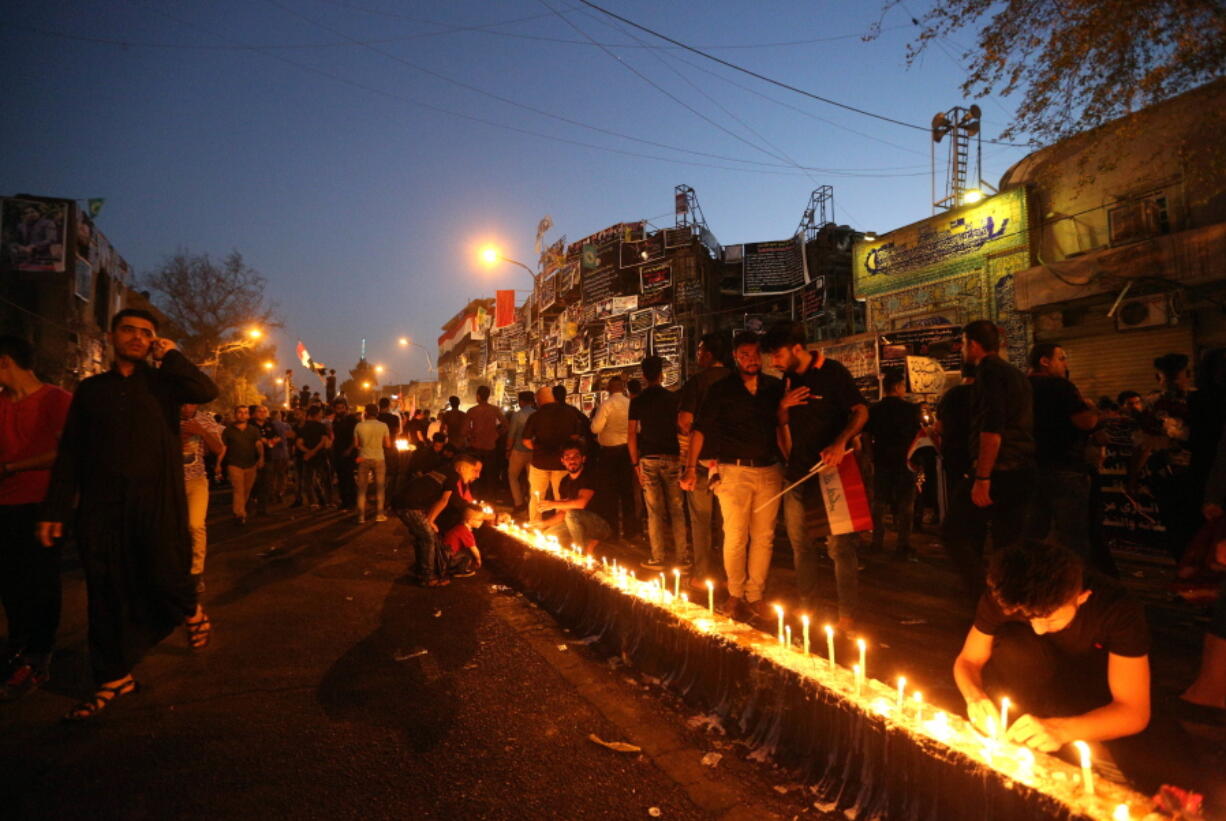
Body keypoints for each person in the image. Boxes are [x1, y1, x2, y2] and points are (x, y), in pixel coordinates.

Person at [38, 308, 219, 720]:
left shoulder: (164, 385)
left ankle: (189, 609)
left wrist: (171, 355)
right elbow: (72, 452)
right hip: (101, 510)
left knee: (165, 573)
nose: (138, 337)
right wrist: (55, 508)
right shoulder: (91, 390)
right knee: (104, 593)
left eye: (147, 333)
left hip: (156, 503)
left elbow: (205, 389)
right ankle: (113, 676)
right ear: (112, 335)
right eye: (130, 330)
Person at [953, 541, 1150, 753]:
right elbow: (969, 660)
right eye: (1029, 618)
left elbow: (1133, 712)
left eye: (1051, 620)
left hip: (1092, 691)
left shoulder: (1116, 609)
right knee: (1013, 644)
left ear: (1081, 598)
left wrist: (1061, 730)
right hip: (1032, 680)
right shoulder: (1011, 593)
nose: (1038, 629)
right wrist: (975, 697)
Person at [762, 322, 869, 627]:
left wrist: (840, 443)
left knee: (839, 548)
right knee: (800, 545)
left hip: (832, 472)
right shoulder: (787, 380)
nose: (774, 361)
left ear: (797, 348)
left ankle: (847, 616)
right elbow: (781, 421)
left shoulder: (833, 372)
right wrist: (783, 406)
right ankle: (809, 609)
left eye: (778, 354)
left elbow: (861, 411)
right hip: (797, 475)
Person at [682, 331, 783, 624]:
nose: (752, 360)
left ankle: (756, 595)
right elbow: (699, 430)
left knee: (764, 537)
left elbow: (784, 424)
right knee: (736, 535)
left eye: (755, 354)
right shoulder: (722, 389)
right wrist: (690, 469)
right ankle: (736, 593)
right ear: (736, 357)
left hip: (769, 469)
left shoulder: (774, 388)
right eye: (745, 355)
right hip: (733, 470)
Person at [0, 335, 72, 701]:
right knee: (10, 581)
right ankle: (17, 645)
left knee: (40, 581)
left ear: (5, 362)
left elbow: (67, 453)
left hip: (43, 504)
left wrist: (12, 467)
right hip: (5, 505)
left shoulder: (56, 400)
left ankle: (39, 654)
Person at [942, 320, 1036, 599]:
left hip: (999, 471)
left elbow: (992, 430)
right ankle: (1009, 599)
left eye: (963, 344)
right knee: (1007, 543)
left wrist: (982, 478)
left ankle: (984, 597)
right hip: (1023, 469)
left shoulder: (989, 373)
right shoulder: (1016, 374)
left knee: (953, 532)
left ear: (972, 344)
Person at [1026, 343, 1099, 564]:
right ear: (1044, 361)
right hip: (1064, 468)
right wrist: (1093, 411)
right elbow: (1085, 422)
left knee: (1033, 533)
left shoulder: (1020, 387)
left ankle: (1032, 581)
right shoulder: (1061, 386)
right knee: (1072, 536)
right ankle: (1073, 587)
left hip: (1030, 468)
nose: (1065, 363)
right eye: (1062, 358)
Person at [677, 332, 731, 589]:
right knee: (730, 524)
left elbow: (685, 421)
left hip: (700, 463)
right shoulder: (736, 380)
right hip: (732, 463)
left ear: (709, 354)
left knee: (701, 521)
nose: (697, 354)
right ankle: (730, 575)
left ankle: (702, 575)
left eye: (699, 350)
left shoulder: (697, 383)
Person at [629, 357, 687, 568]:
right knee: (677, 509)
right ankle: (682, 558)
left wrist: (635, 464)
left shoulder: (638, 401)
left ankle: (658, 557)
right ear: (661, 374)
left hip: (648, 457)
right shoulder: (672, 399)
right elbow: (681, 428)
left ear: (644, 376)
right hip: (672, 456)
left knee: (654, 511)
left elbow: (631, 435)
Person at [865, 372, 921, 559]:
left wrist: (870, 456)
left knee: (879, 502)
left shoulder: (874, 410)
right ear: (897, 387)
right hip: (905, 461)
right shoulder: (911, 409)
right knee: (906, 504)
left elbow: (866, 436)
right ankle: (902, 544)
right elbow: (918, 436)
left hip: (882, 460)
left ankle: (877, 541)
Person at [179, 403, 224, 594]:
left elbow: (219, 448)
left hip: (196, 481)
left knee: (196, 525)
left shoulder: (205, 419)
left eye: (191, 401)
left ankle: (196, 572)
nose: (187, 406)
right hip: (169, 481)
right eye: (183, 401)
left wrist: (201, 431)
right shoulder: (164, 416)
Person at [534, 443, 612, 552]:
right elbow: (563, 512)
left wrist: (553, 504)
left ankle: (581, 554)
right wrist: (543, 523)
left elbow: (581, 503)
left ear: (583, 459)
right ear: (562, 461)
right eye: (567, 458)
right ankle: (585, 543)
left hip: (600, 525)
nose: (572, 460)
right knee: (548, 534)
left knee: (572, 514)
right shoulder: (565, 481)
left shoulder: (590, 475)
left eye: (576, 456)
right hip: (577, 523)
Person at [522, 386, 585, 521]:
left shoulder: (535, 416)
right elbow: (575, 437)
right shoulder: (569, 413)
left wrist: (538, 448)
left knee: (537, 496)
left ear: (538, 400)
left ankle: (535, 525)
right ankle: (558, 527)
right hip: (561, 463)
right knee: (561, 498)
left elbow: (526, 440)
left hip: (539, 462)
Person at [591, 376, 638, 541]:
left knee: (609, 493)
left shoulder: (607, 404)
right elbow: (637, 428)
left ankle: (612, 532)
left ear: (610, 388)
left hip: (609, 453)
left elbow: (595, 427)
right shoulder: (630, 403)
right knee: (627, 492)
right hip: (627, 451)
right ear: (623, 387)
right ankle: (631, 531)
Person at [222, 405, 263, 524]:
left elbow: (259, 445)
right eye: (240, 412)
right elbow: (224, 447)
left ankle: (240, 510)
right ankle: (240, 514)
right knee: (238, 489)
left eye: (245, 413)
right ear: (235, 414)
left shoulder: (253, 430)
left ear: (249, 415)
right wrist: (219, 463)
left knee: (246, 490)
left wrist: (261, 458)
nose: (242, 415)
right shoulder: (228, 430)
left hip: (251, 464)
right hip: (234, 464)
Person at [464, 385, 505, 500]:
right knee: (490, 475)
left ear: (478, 396)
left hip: (476, 448)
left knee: (475, 476)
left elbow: (464, 430)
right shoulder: (494, 410)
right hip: (491, 448)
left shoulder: (472, 411)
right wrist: (496, 434)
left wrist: (471, 435)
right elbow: (506, 426)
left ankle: (475, 499)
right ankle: (490, 499)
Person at [353, 403, 391, 524]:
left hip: (363, 458)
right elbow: (388, 445)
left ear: (366, 413)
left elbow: (356, 445)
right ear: (377, 413)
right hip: (379, 458)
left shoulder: (359, 426)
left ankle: (361, 517)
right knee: (380, 488)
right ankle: (379, 515)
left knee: (362, 489)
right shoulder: (383, 426)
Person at [296, 405, 332, 510]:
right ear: (317, 414)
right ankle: (328, 501)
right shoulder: (321, 426)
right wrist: (314, 451)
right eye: (321, 413)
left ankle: (313, 502)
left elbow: (299, 443)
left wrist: (308, 452)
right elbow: (324, 441)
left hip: (308, 458)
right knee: (326, 480)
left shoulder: (304, 428)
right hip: (321, 456)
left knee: (309, 481)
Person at [505, 390, 536, 513]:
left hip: (518, 450)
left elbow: (511, 435)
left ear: (522, 402)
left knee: (512, 476)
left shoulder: (517, 415)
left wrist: (508, 449)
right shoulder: (537, 414)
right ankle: (532, 503)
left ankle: (518, 502)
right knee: (532, 479)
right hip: (534, 451)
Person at [439, 504, 486, 579]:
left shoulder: (460, 526)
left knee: (465, 550)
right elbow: (474, 550)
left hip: (443, 555)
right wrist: (478, 560)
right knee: (469, 552)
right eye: (479, 520)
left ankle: (452, 569)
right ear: (470, 520)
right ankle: (459, 571)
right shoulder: (465, 531)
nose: (482, 522)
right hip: (446, 558)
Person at [331, 398, 359, 510]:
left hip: (349, 452)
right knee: (341, 477)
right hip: (338, 452)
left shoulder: (352, 420)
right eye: (338, 408)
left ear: (346, 408)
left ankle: (351, 501)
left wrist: (349, 449)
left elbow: (355, 437)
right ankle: (344, 500)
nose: (340, 410)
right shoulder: (336, 421)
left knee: (348, 477)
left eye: (342, 408)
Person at [377, 397, 402, 508]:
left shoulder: (375, 418)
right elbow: (397, 432)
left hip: (376, 449)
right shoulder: (394, 418)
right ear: (388, 406)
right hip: (390, 448)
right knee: (392, 474)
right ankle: (388, 500)